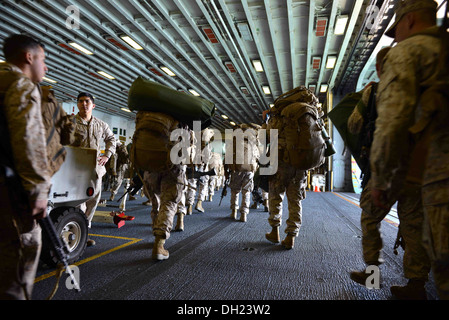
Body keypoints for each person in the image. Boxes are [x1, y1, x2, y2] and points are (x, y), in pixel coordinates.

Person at [369, 0, 440, 299]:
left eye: (396, 27)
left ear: (408, 20)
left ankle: (377, 278)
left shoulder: (407, 54)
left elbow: (391, 125)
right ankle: (415, 284)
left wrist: (381, 180)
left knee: (396, 222)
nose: (396, 35)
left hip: (423, 172)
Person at [0, 34, 50, 299]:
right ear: (28, 57)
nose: (46, 67)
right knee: (18, 267)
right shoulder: (20, 85)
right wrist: (39, 192)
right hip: (8, 195)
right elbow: (27, 141)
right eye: (43, 59)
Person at [71, 92, 116, 246]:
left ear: (93, 105)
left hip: (95, 170)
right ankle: (75, 234)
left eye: (87, 101)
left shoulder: (101, 124)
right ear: (77, 104)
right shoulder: (70, 123)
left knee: (93, 201)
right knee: (78, 203)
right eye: (81, 101)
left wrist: (107, 156)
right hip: (76, 169)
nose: (84, 104)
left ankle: (84, 234)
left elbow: (111, 139)